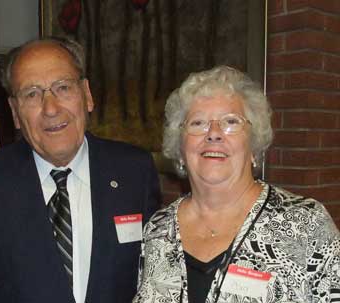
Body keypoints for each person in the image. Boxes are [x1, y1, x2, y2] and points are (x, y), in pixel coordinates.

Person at [0, 37, 161, 303]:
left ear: (87, 95)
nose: (51, 109)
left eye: (63, 87)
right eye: (32, 94)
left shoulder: (134, 171)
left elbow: (155, 278)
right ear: (14, 111)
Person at [133, 66, 340, 303]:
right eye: (198, 123)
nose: (213, 134)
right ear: (180, 148)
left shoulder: (306, 224)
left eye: (231, 121)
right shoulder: (158, 230)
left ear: (253, 146)